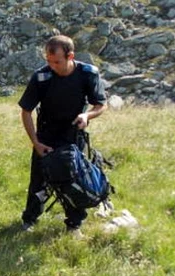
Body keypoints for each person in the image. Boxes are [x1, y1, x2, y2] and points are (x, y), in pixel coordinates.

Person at [18, 35, 108, 236]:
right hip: (46, 136)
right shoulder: (41, 77)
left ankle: (74, 225)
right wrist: (36, 142)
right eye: (48, 61)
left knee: (75, 179)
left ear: (71, 56)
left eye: (56, 62)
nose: (52, 66)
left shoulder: (88, 74)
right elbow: (26, 112)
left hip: (73, 137)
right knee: (38, 181)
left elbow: (101, 104)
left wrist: (87, 115)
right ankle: (29, 220)